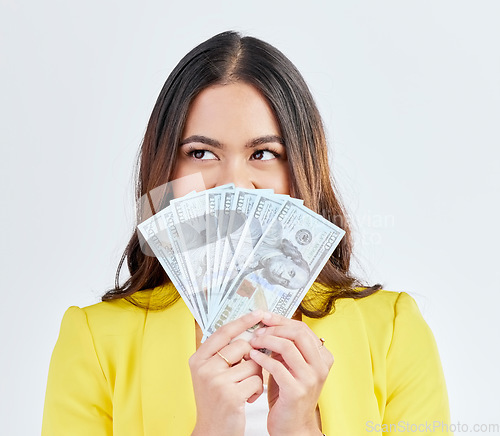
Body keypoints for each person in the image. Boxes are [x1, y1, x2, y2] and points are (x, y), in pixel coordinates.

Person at [42, 31, 452, 435]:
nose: (233, 186)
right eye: (201, 153)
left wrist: (303, 430)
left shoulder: (393, 332)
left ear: (300, 170)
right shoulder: (94, 341)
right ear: (165, 169)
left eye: (263, 154)